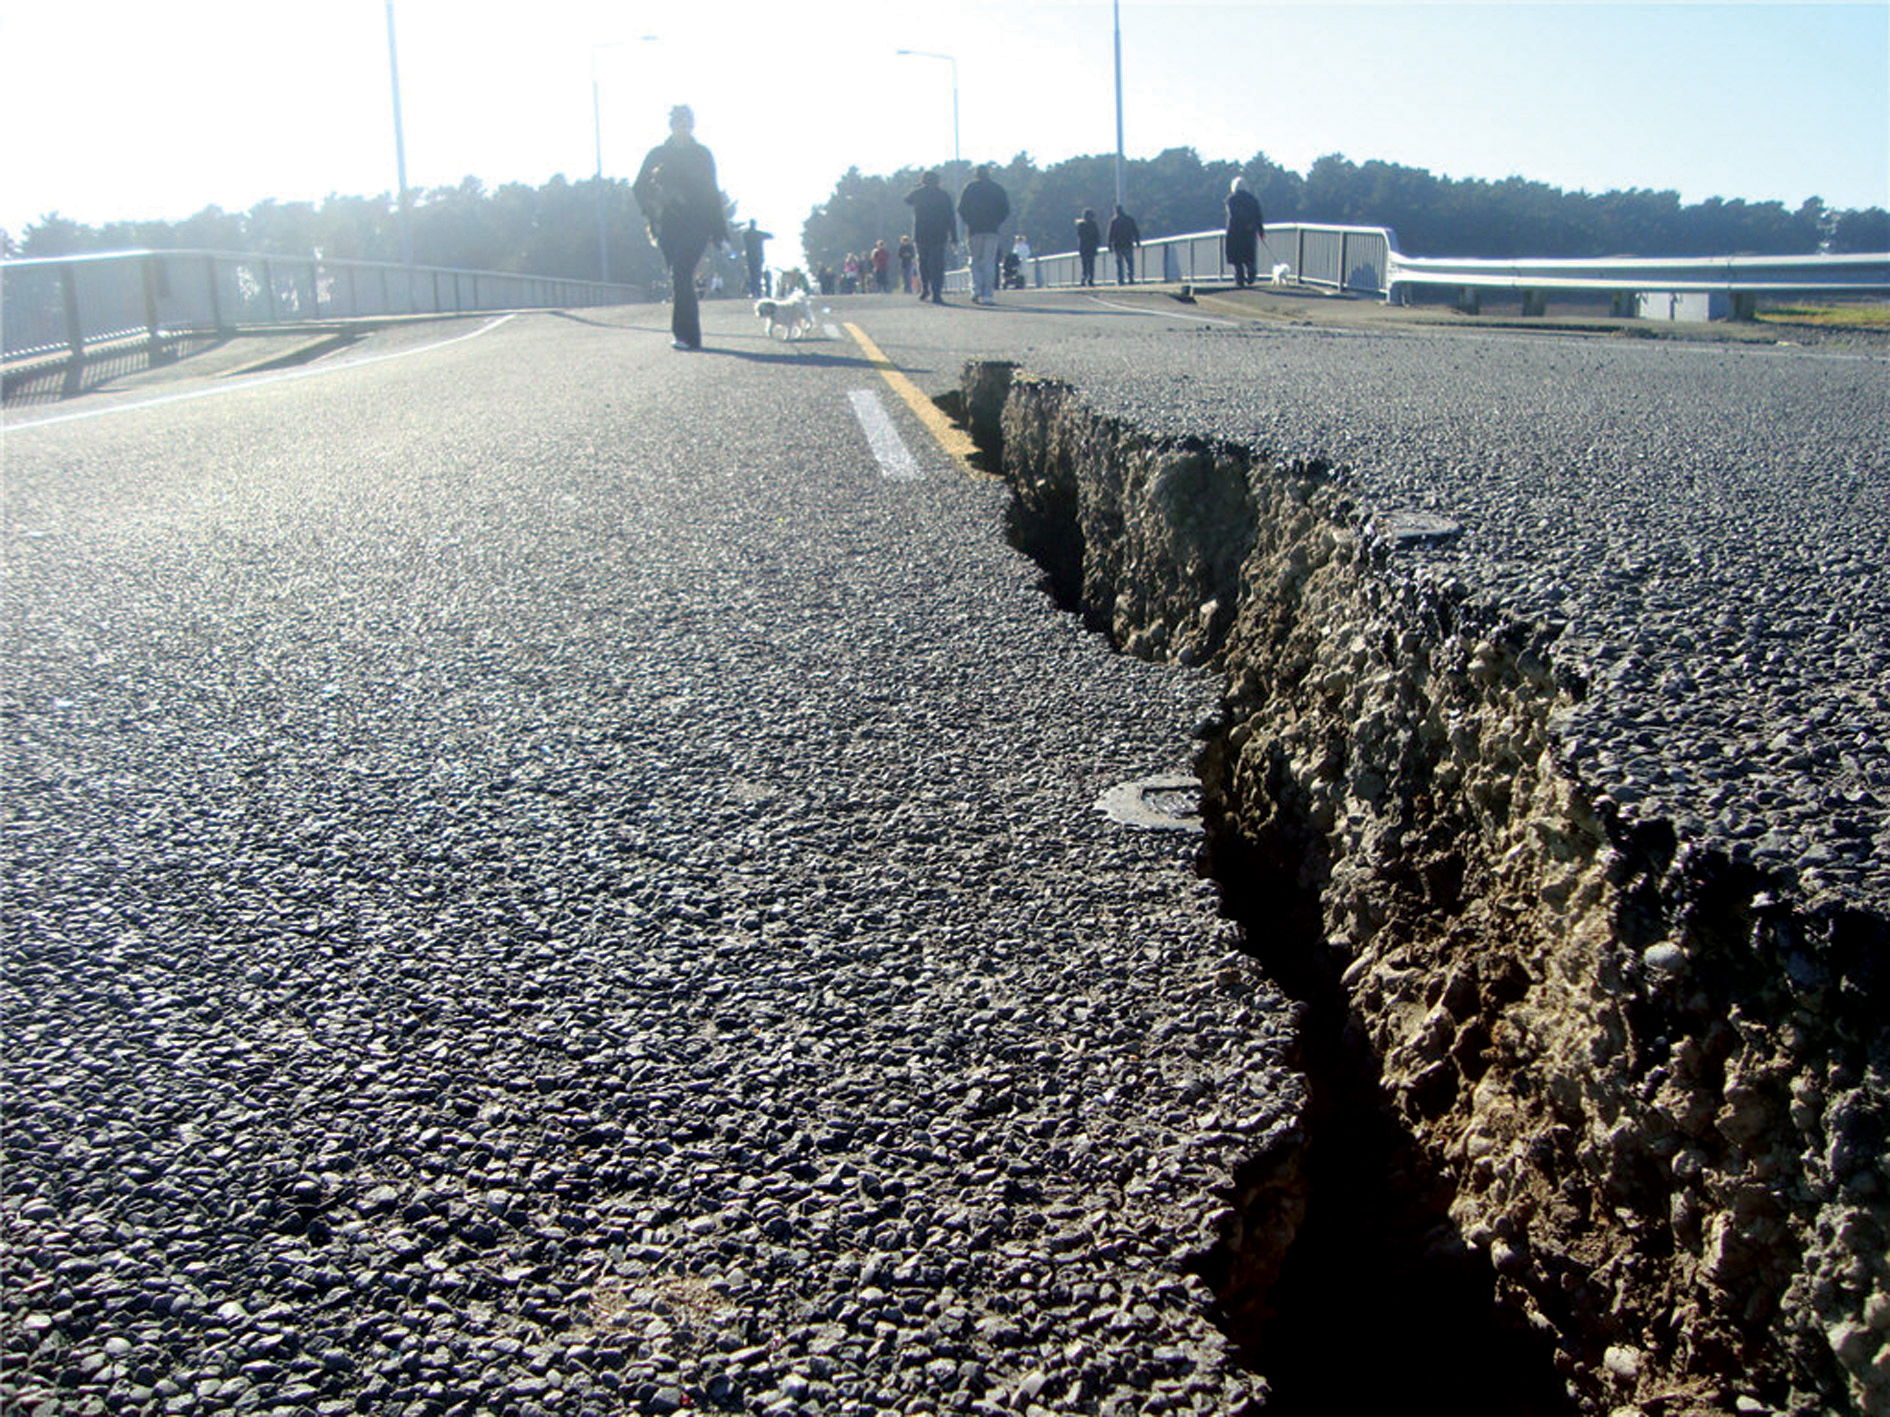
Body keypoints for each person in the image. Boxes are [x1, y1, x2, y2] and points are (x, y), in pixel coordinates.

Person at [632, 104, 730, 351]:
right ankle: (691, 337)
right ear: (671, 125)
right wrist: (654, 207)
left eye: (686, 122)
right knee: (679, 278)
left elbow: (711, 192)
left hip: (697, 224)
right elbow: (639, 188)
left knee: (682, 272)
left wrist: (720, 232)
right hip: (668, 226)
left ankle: (684, 335)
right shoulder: (657, 154)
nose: (682, 127)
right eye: (678, 122)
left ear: (692, 124)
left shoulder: (702, 154)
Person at [957, 165, 1010, 305]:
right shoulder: (997, 189)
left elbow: (961, 208)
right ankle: (988, 294)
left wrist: (969, 221)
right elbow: (1005, 209)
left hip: (974, 229)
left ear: (976, 174)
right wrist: (997, 222)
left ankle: (976, 289)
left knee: (974, 260)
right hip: (992, 229)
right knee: (989, 262)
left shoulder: (970, 188)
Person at [903, 170, 957, 304]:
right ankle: (937, 292)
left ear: (924, 181)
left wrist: (918, 186)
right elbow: (951, 217)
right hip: (939, 234)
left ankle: (925, 288)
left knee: (923, 263)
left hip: (921, 234)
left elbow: (907, 199)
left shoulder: (919, 193)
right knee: (937, 264)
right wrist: (954, 236)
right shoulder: (944, 195)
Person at [1225, 176, 1265, 289]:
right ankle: (1251, 272)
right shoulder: (1253, 199)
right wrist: (1260, 230)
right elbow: (1258, 216)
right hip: (1249, 231)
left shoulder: (1231, 199)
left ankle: (1240, 279)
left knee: (1236, 258)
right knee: (1248, 255)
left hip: (1235, 232)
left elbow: (1234, 215)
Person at [1107, 204, 1141, 285]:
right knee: (1129, 261)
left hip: (1118, 245)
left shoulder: (1114, 221)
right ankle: (1130, 277)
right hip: (1128, 243)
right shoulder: (1129, 219)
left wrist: (1109, 244)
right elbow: (1135, 231)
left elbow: (1110, 234)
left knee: (1119, 262)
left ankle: (1120, 279)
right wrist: (1137, 241)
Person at [741, 219, 772, 298]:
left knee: (752, 274)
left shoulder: (746, 234)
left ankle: (754, 291)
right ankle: (757, 292)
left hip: (750, 256)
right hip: (758, 256)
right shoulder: (758, 234)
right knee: (757, 273)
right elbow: (771, 236)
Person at [1075, 208, 1102, 286]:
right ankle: (1089, 278)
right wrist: (1097, 245)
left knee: (1085, 264)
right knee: (1090, 264)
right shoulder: (1093, 225)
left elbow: (1080, 236)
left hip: (1084, 247)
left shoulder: (1081, 225)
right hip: (1091, 247)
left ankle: (1085, 278)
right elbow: (1097, 236)